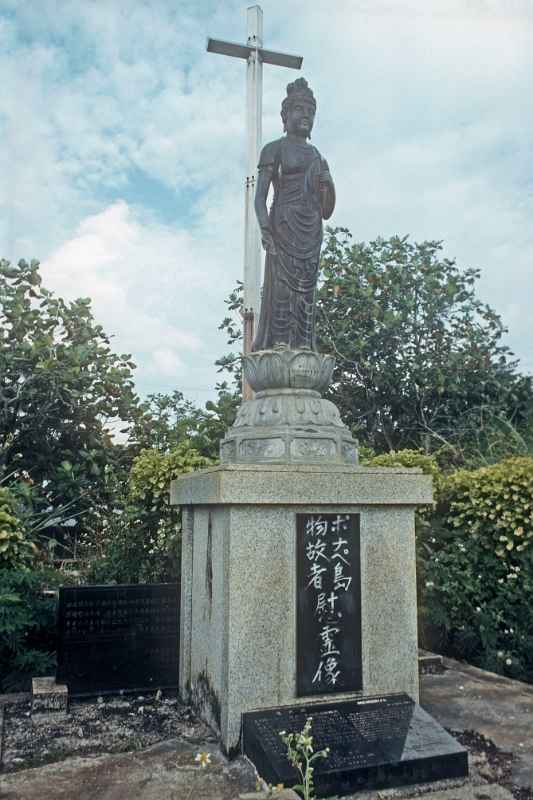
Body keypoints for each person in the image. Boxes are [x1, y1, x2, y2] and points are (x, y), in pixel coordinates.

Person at [252, 77, 335, 352]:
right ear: (285, 115)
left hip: (310, 230)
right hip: (283, 226)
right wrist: (265, 231)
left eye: (311, 112)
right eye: (300, 110)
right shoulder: (274, 149)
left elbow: (326, 209)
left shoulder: (316, 156)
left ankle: (303, 344)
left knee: (306, 291)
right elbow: (260, 199)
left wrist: (328, 182)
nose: (306, 116)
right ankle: (279, 343)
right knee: (282, 289)